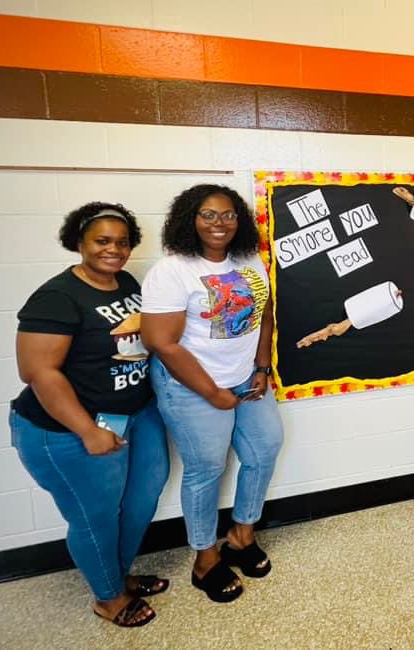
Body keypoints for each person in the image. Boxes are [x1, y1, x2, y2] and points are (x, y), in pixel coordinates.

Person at [9, 203, 170, 627]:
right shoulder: (58, 297)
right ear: (78, 242)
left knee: (141, 502)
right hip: (67, 427)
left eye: (122, 242)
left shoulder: (126, 282)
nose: (114, 250)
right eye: (102, 241)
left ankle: (116, 576)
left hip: (135, 414)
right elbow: (37, 371)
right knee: (95, 515)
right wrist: (86, 430)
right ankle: (107, 598)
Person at [141, 184, 283, 603]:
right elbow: (160, 342)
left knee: (264, 450)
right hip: (190, 386)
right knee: (206, 469)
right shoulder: (172, 270)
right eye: (208, 214)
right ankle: (205, 559)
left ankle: (241, 535)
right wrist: (212, 392)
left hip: (246, 378)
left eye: (228, 215)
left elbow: (265, 315)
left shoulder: (248, 259)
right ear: (190, 219)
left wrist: (261, 367)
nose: (219, 223)